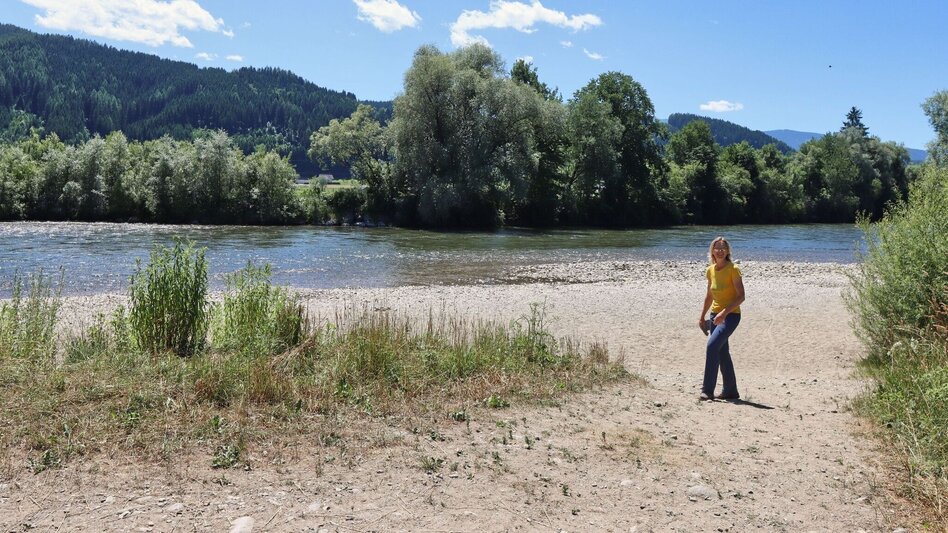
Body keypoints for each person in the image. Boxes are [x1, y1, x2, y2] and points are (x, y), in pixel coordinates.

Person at [698, 237, 745, 401]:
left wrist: (724, 313)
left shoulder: (734, 269)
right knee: (722, 351)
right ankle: (731, 390)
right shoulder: (710, 270)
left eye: (723, 248)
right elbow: (709, 295)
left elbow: (741, 297)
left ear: (728, 251)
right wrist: (702, 317)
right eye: (717, 248)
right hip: (714, 316)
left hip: (731, 316)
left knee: (712, 347)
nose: (720, 250)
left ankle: (707, 390)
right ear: (712, 251)